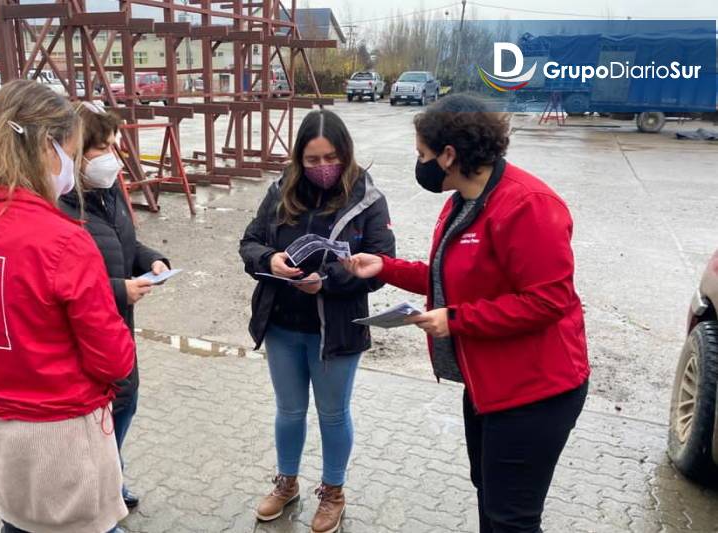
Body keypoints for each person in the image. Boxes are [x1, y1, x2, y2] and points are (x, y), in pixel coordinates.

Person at [342, 93, 590, 533]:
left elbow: (548, 300)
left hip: (535, 391)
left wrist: (455, 320)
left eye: (422, 154)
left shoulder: (526, 204)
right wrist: (387, 267)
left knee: (511, 517)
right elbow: (448, 276)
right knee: (489, 494)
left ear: (449, 155)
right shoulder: (463, 200)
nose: (418, 163)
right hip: (488, 383)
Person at [0, 80, 135, 533]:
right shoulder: (61, 240)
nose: (71, 168)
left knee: (17, 525)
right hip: (63, 437)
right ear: (47, 146)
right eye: (72, 152)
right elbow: (113, 358)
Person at [239, 109, 396, 533]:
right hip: (283, 325)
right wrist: (266, 258)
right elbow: (249, 241)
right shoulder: (280, 190)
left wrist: (325, 281)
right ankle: (287, 481)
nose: (323, 168)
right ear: (298, 159)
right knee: (289, 411)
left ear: (345, 154)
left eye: (331, 158)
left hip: (337, 329)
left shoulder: (368, 199)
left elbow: (383, 266)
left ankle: (333, 491)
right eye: (312, 160)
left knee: (332, 413)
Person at [59, 102, 170, 510]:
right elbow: (61, 283)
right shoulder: (61, 207)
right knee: (96, 422)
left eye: (111, 146)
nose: (109, 157)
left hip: (119, 328)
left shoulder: (108, 194)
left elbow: (125, 243)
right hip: (86, 335)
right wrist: (119, 290)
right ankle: (97, 497)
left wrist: (152, 259)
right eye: (98, 147)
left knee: (127, 404)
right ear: (72, 151)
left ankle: (112, 476)